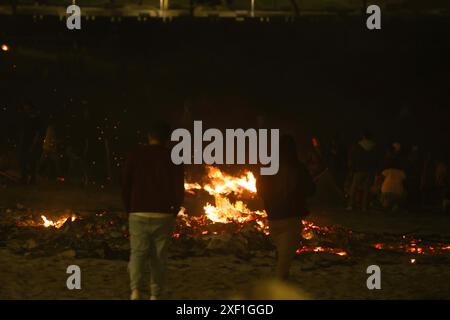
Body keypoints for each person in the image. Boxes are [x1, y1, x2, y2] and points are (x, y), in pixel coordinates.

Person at [121, 121, 184, 300]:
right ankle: (155, 294)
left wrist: (129, 208)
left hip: (138, 211)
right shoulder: (173, 157)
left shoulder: (135, 155)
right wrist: (174, 210)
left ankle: (135, 291)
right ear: (167, 139)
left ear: (149, 136)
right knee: (159, 257)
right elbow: (179, 188)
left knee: (137, 254)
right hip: (163, 214)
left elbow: (125, 184)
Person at [258, 135, 316, 280]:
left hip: (273, 218)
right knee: (284, 261)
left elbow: (260, 190)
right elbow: (310, 189)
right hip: (291, 218)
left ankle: (284, 279)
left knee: (283, 256)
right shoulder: (298, 168)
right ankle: (279, 287)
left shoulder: (267, 168)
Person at [346, 131, 377, 211]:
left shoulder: (357, 146)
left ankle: (351, 205)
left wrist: (351, 168)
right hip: (369, 170)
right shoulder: (374, 147)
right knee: (366, 189)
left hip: (359, 169)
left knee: (354, 187)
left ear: (363, 136)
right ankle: (364, 207)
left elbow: (352, 158)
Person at [18, 101, 46, 185]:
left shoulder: (37, 119)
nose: (26, 110)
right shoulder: (25, 118)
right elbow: (23, 131)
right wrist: (21, 141)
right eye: (25, 108)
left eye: (27, 108)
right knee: (23, 160)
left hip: (32, 142)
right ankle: (24, 178)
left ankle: (32, 179)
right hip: (25, 142)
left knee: (32, 161)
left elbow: (37, 133)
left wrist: (33, 144)